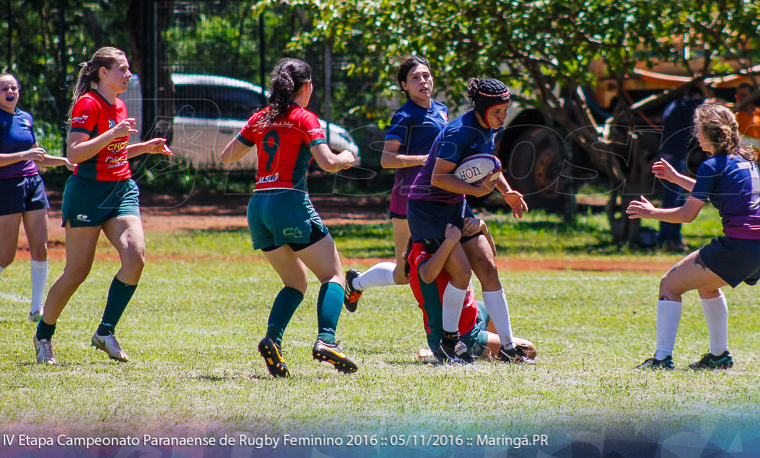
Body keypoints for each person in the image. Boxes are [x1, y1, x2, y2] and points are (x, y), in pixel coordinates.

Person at [219, 58, 359, 377]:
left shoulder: (261, 117)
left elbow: (227, 156)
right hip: (289, 202)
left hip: (258, 206)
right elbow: (326, 162)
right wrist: (345, 158)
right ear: (307, 86)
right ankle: (327, 341)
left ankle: (273, 339)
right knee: (334, 275)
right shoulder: (305, 117)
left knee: (295, 282)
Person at [33, 48, 173, 365]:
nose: (128, 75)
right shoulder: (88, 103)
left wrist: (144, 147)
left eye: (128, 69)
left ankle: (105, 332)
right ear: (102, 73)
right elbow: (75, 154)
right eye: (122, 69)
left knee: (135, 258)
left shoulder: (119, 104)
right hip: (87, 193)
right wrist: (113, 132)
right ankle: (43, 335)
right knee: (77, 271)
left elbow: (113, 152)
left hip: (121, 189)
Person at [626, 102, 760, 371]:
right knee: (707, 286)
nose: (696, 136)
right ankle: (718, 356)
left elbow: (687, 215)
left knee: (669, 284)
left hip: (741, 246)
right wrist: (675, 178)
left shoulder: (711, 165)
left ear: (709, 133)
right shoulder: (744, 159)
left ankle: (661, 360)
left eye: (698, 130)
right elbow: (713, 190)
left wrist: (651, 212)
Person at [406, 77, 531, 363]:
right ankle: (450, 343)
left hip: (455, 204)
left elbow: (488, 166)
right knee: (461, 271)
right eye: (498, 111)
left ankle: (509, 346)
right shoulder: (459, 132)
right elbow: (439, 178)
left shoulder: (490, 128)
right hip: (428, 208)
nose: (503, 117)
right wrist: (477, 191)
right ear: (482, 109)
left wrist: (507, 192)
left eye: (505, 110)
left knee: (487, 264)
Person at [343, 56, 448, 311]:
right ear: (404, 85)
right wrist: (423, 159)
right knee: (403, 274)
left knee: (447, 261)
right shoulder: (404, 115)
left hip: (439, 197)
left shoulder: (442, 109)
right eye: (415, 77)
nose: (423, 81)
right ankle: (355, 283)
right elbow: (386, 159)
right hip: (408, 198)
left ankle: (449, 329)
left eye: (426, 75)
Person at [0, 74, 72, 324]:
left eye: (14, 87)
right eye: (5, 88)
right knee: (7, 254)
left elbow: (36, 157)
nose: (11, 91)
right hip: (7, 186)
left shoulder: (25, 117)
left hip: (33, 183)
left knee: (40, 248)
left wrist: (66, 162)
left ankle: (36, 310)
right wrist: (24, 153)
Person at [407, 222, 535, 364]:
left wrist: (483, 229)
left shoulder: (453, 232)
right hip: (462, 334)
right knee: (529, 350)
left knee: (493, 308)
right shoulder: (423, 244)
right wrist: (450, 241)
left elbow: (489, 259)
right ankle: (440, 352)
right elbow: (428, 275)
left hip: (475, 312)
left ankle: (503, 348)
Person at [652, 83, 704, 252]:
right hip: (673, 158)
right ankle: (666, 239)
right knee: (673, 200)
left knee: (677, 199)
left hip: (673, 156)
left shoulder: (673, 106)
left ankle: (672, 237)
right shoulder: (687, 108)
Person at [733, 83, 760, 199]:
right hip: (739, 165)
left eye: (743, 95)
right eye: (738, 96)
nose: (740, 98)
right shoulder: (733, 114)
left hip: (758, 165)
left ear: (751, 96)